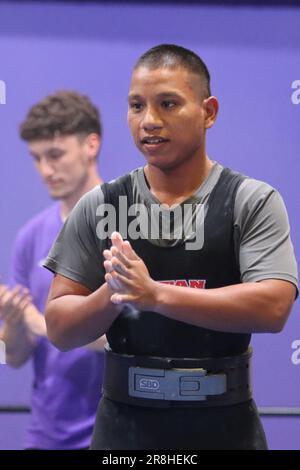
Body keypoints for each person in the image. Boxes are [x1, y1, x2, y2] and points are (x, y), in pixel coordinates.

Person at [44, 45, 298, 450]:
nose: (149, 121)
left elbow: (274, 307)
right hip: (123, 433)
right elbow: (59, 327)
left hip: (226, 429)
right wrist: (112, 293)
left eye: (168, 104)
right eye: (136, 105)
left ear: (208, 112)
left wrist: (155, 295)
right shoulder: (101, 205)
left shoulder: (252, 200)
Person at [0, 91, 106, 450]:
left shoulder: (128, 225)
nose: (46, 170)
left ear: (91, 145)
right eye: (36, 158)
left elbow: (128, 341)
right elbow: (13, 357)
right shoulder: (30, 236)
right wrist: (14, 324)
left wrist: (39, 323)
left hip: (114, 437)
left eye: (55, 155)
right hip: (45, 436)